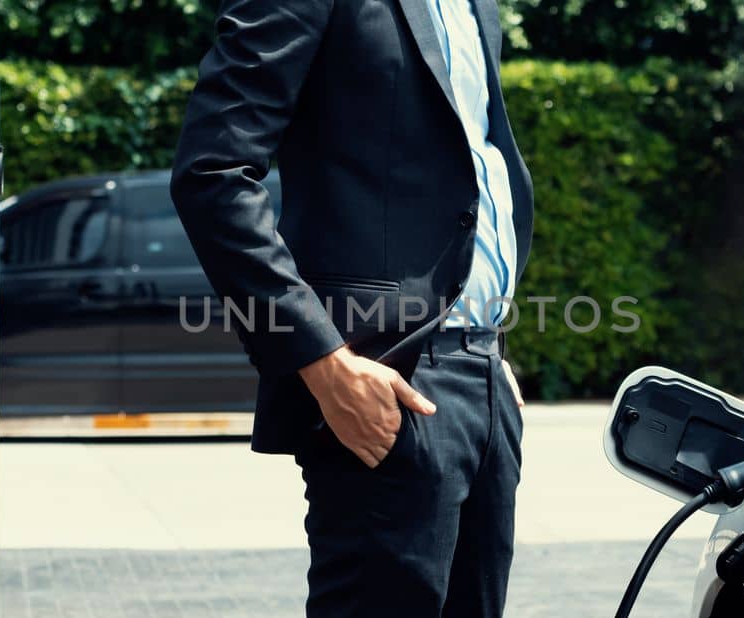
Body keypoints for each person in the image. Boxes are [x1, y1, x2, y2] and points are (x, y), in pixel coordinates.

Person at [170, 0, 534, 615]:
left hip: (483, 374)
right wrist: (322, 359)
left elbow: (465, 169)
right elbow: (214, 172)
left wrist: (490, 343)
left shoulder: (480, 7)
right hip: (383, 375)